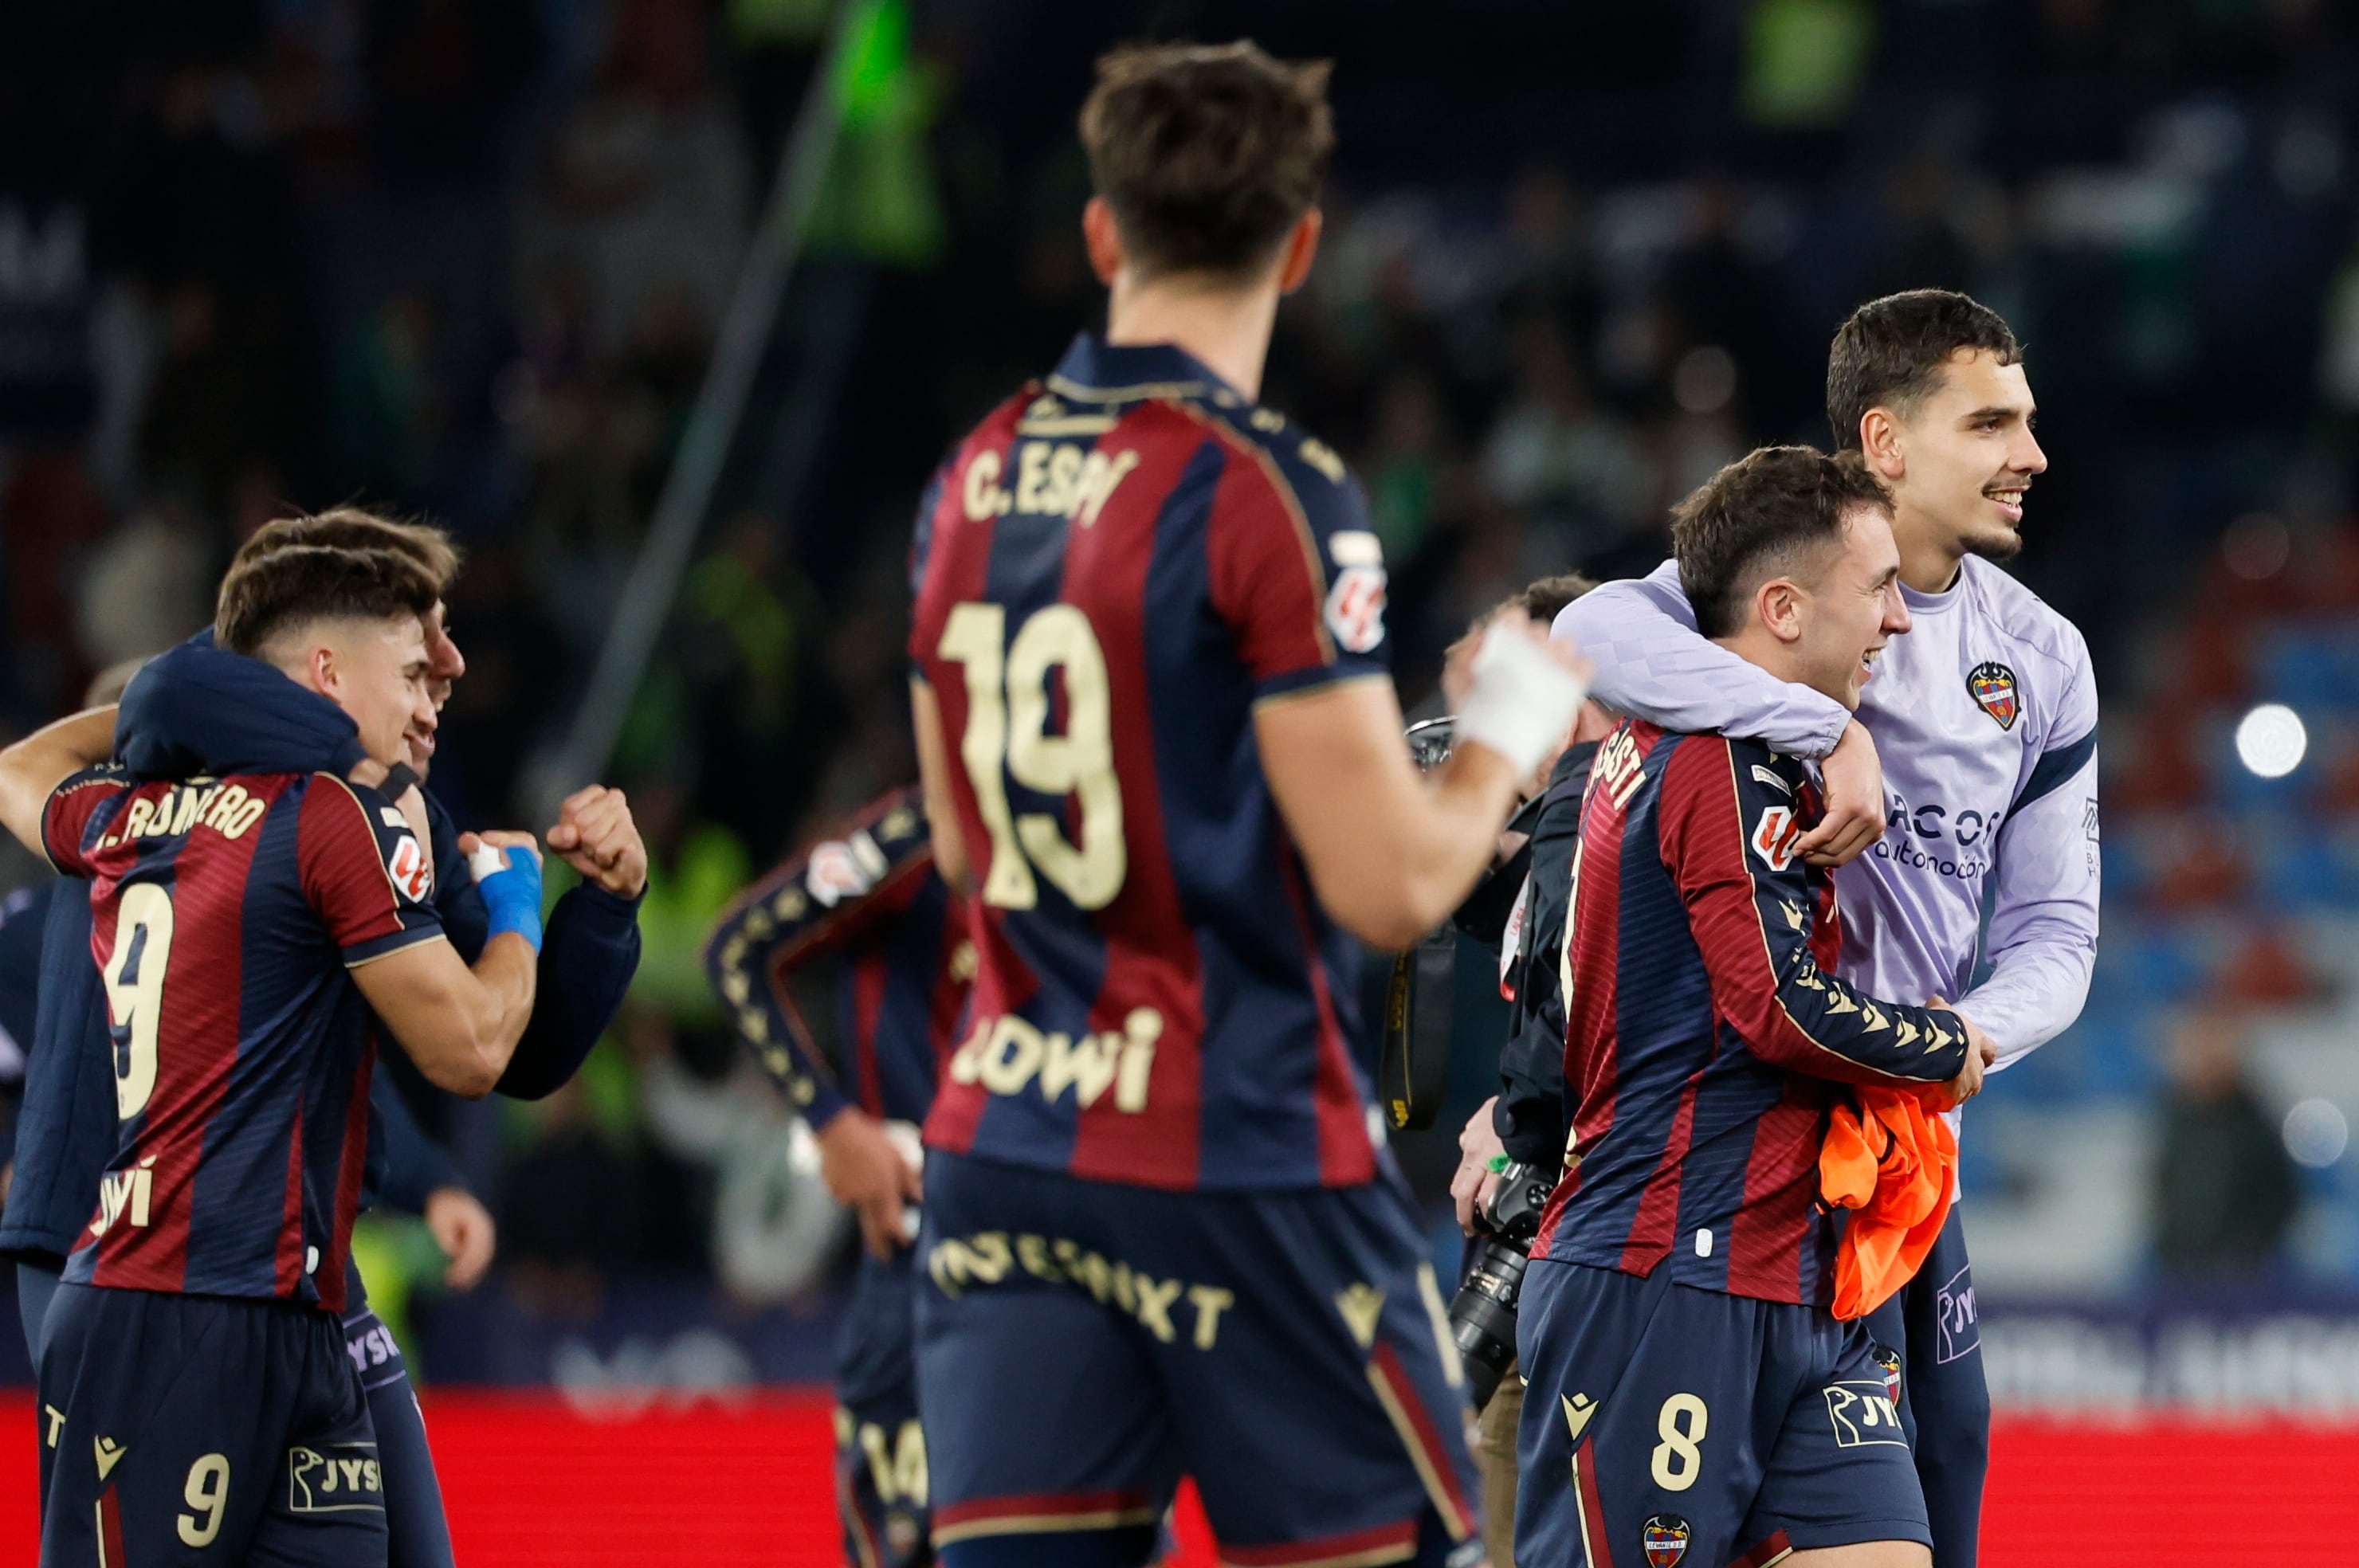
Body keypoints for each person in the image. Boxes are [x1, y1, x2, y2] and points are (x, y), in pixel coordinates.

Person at [905, 41, 1588, 1568]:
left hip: (1008, 1138)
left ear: (1101, 233)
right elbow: (1398, 888)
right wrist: (1510, 723)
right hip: (1234, 1143)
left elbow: (961, 840)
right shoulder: (1267, 488)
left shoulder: (973, 475)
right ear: (1301, 245)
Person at [1554, 288, 2099, 1566]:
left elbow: (2058, 937)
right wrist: (1825, 728)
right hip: (1713, 1134)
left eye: (2026, 422)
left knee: (1948, 1453)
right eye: (1992, 423)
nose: (2032, 455)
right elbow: (1585, 635)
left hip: (1897, 1144)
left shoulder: (2043, 659)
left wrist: (1947, 1039)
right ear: (1890, 443)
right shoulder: (1770, 602)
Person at [4, 509, 648, 1568]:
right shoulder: (328, 822)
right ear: (321, 673)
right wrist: (526, 906)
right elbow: (475, 1053)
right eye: (413, 672)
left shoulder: (135, 814)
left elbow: (20, 770)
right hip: (172, 1307)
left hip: (293, 1309)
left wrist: (606, 913)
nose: (438, 692)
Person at [1517, 445, 1995, 1568]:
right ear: (1782, 609)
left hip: (1800, 1284)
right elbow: (1775, 1009)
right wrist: (1940, 1045)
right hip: (1662, 1278)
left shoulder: (1738, 749)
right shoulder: (1717, 756)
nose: (1900, 623)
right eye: (1877, 590)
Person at [705, 786, 967, 1568]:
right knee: (902, 1542)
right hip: (920, 1250)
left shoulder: (1120, 822)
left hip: (1076, 1260)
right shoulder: (914, 839)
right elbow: (736, 949)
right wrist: (830, 1120)